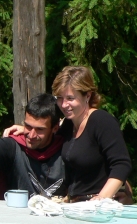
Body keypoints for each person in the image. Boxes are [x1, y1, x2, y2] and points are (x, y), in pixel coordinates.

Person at [52, 66, 131, 202]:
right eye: (60, 98)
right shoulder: (68, 124)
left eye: (70, 98)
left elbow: (122, 164)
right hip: (76, 205)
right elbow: (48, 139)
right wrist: (25, 130)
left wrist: (101, 199)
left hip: (101, 206)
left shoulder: (101, 121)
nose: (64, 105)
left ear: (87, 96)